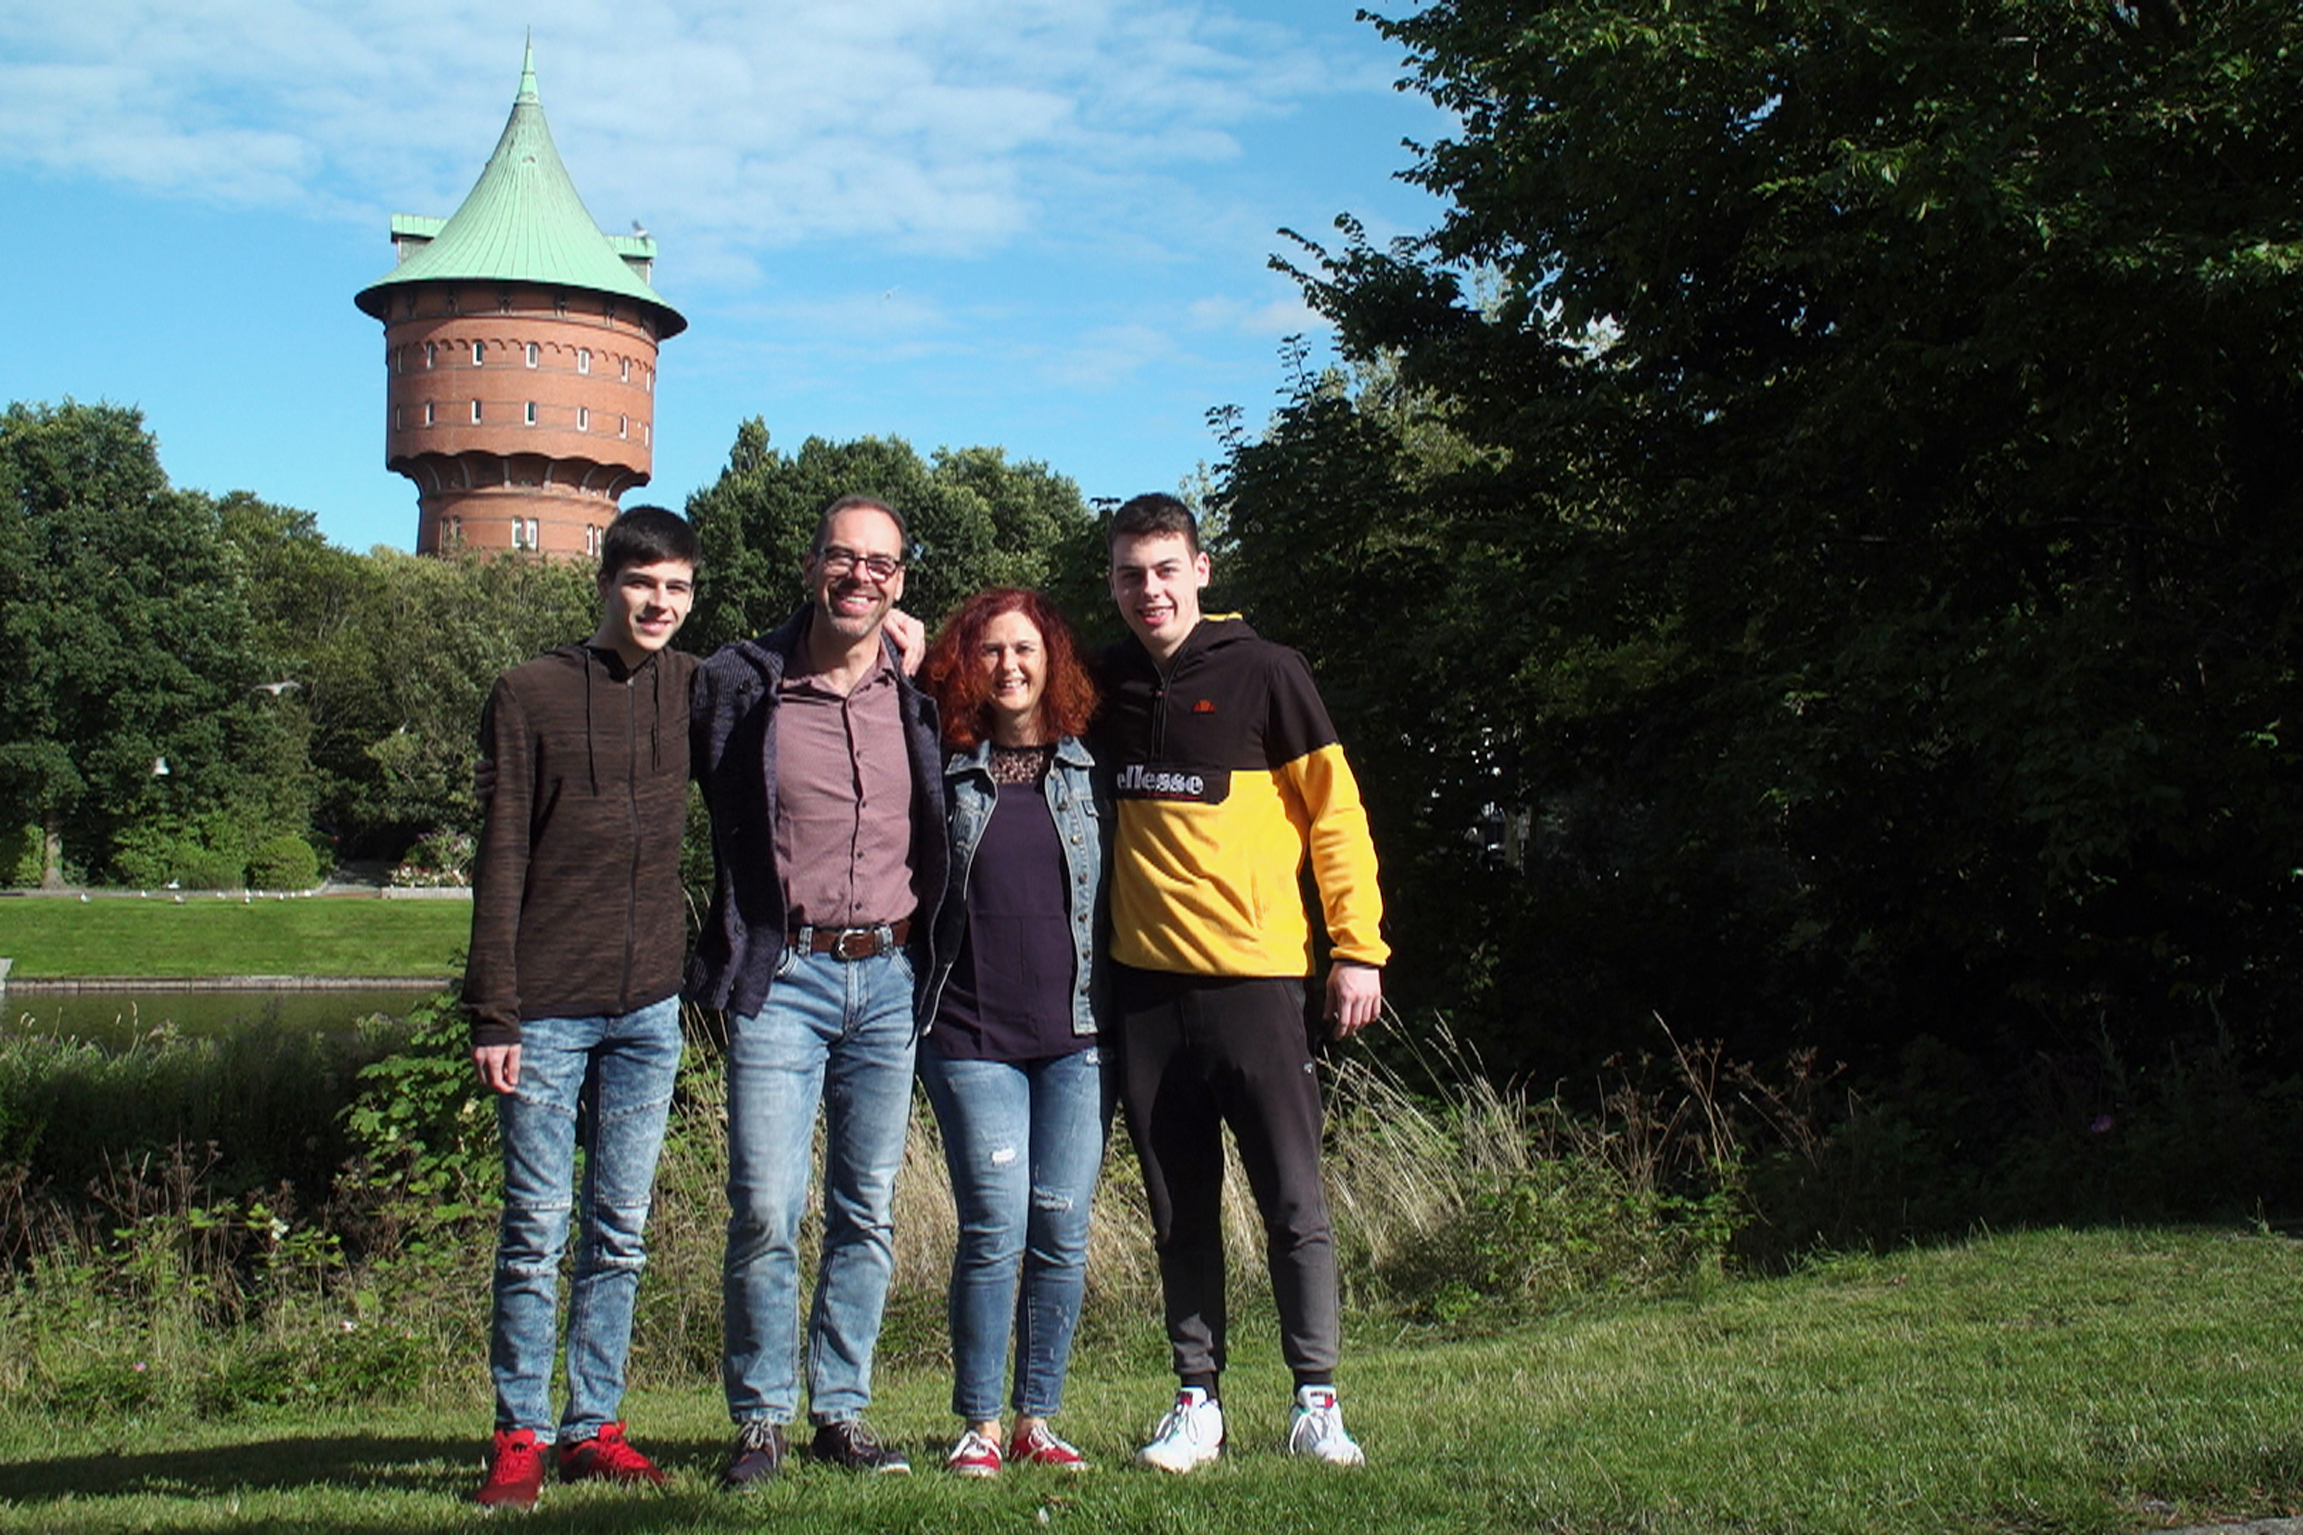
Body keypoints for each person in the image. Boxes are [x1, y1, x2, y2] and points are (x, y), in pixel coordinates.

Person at [1093, 492, 1388, 1471]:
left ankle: (1315, 1401)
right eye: (1131, 574)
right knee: (1178, 1209)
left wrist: (1358, 948)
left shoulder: (1268, 673)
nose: (1149, 590)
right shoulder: (1102, 687)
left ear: (1200, 569)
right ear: (1113, 584)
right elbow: (993, 692)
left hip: (1258, 986)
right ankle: (1195, 1401)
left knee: (1292, 1201)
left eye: (1164, 568)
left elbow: (1334, 816)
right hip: (1144, 996)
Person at [688, 493, 947, 1485]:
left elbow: (1028, 689)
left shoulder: (921, 689)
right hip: (782, 973)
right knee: (763, 1202)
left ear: (900, 580)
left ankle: (840, 1408)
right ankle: (760, 1416)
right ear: (810, 567)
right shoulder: (740, 683)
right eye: (844, 559)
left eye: (880, 564)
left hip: (888, 976)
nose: (861, 577)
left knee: (865, 1205)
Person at [464, 504, 700, 1510]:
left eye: (678, 588)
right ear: (605, 583)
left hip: (649, 1004)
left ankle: (592, 1423)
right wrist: (493, 1010)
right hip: (547, 1007)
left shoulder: (697, 686)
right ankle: (518, 1428)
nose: (659, 603)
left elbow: (801, 663)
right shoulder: (528, 693)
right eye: (643, 582)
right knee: (534, 1225)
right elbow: (500, 849)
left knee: (620, 1226)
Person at [915, 588, 1107, 1477]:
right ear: (967, 666)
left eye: (1024, 648)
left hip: (1076, 1036)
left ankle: (1040, 1417)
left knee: (1061, 1226)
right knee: (994, 1226)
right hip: (970, 1033)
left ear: (1051, 659)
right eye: (989, 650)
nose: (1008, 665)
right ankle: (980, 1426)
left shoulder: (1087, 771)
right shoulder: (944, 765)